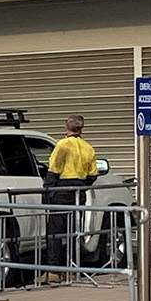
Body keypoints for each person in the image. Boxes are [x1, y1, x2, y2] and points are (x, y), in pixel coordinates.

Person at [43, 114, 98, 278]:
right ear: (81, 128)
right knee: (74, 231)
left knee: (55, 233)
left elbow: (54, 169)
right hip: (78, 191)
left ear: (66, 128)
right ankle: (72, 266)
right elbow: (93, 174)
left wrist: (48, 190)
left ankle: (53, 270)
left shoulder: (63, 145)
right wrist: (82, 186)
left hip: (61, 190)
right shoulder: (88, 147)